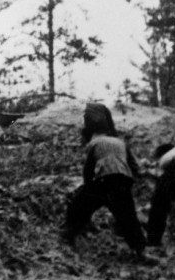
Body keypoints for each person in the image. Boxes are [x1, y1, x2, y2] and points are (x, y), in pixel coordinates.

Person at [63, 103, 147, 261]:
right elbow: (135, 167)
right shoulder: (120, 142)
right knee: (128, 216)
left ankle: (69, 235)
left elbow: (88, 168)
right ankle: (140, 251)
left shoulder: (94, 143)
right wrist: (132, 182)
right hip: (123, 180)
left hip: (104, 181)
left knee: (79, 204)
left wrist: (87, 186)